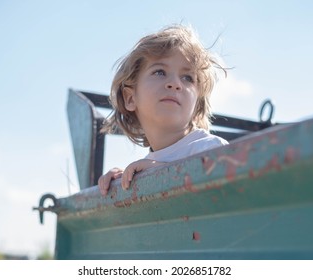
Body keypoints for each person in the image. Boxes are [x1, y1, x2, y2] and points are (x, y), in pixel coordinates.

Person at [98, 24, 229, 195]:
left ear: (197, 105)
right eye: (160, 72)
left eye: (187, 78)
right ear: (130, 98)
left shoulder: (211, 149)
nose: (175, 83)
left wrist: (162, 172)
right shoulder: (143, 169)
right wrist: (121, 184)